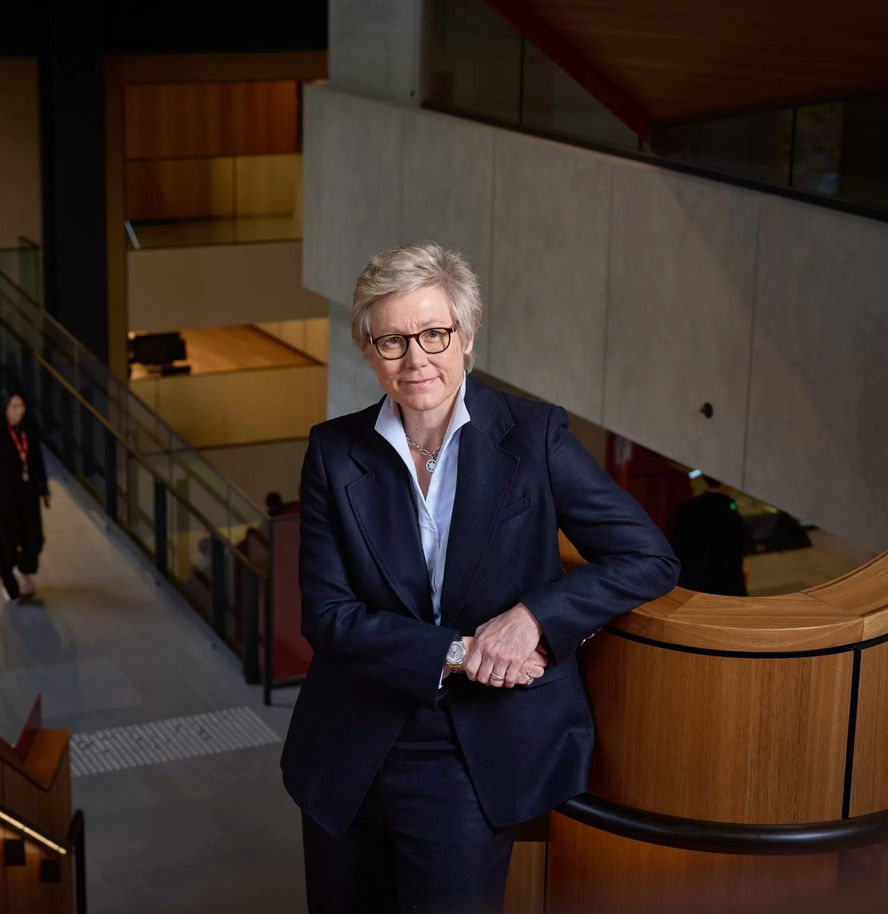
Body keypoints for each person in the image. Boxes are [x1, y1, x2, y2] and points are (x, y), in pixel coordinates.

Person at [281, 240, 679, 913]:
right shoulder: (333, 451)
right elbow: (327, 615)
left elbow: (649, 557)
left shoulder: (534, 436)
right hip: (348, 746)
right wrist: (460, 653)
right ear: (367, 350)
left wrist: (532, 620)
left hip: (470, 755)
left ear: (467, 336)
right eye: (392, 341)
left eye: (435, 333)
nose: (417, 360)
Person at [0, 385, 51, 603]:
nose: (18, 411)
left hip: (28, 491)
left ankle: (24, 568)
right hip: (4, 494)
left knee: (34, 539)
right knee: (5, 543)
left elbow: (37, 457)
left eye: (21, 406)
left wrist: (44, 487)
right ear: (4, 408)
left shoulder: (30, 425)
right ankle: (10, 585)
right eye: (14, 406)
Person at [669, 475, 750, 596]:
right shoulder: (727, 508)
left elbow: (678, 544)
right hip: (725, 579)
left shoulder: (688, 507)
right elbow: (737, 544)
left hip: (695, 576)